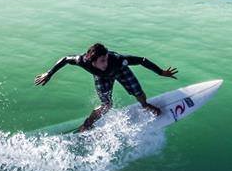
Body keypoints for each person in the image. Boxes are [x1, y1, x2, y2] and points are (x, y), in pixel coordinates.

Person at [35, 43, 178, 132]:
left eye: (106, 58)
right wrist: (49, 73)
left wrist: (160, 72)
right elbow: (66, 59)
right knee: (106, 105)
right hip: (102, 78)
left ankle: (145, 105)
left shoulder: (117, 60)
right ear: (92, 61)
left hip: (121, 71)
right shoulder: (82, 61)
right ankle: (87, 125)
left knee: (138, 92)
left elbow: (142, 60)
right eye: (102, 60)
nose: (106, 62)